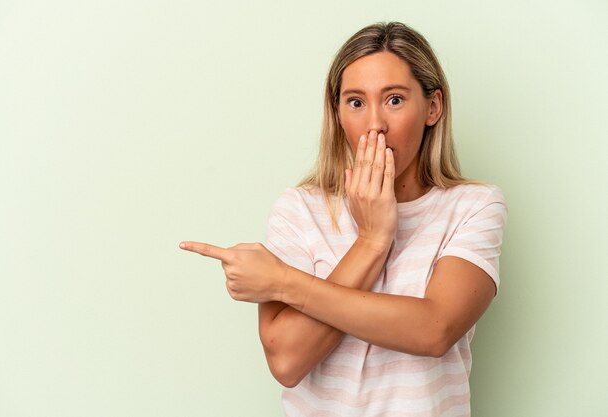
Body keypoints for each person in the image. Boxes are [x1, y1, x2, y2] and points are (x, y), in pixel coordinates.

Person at [180, 21, 507, 417]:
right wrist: (370, 243)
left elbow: (434, 329)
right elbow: (286, 361)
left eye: (394, 100)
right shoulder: (299, 210)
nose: (374, 125)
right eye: (356, 102)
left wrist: (284, 281)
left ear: (432, 107)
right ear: (337, 114)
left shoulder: (473, 206)